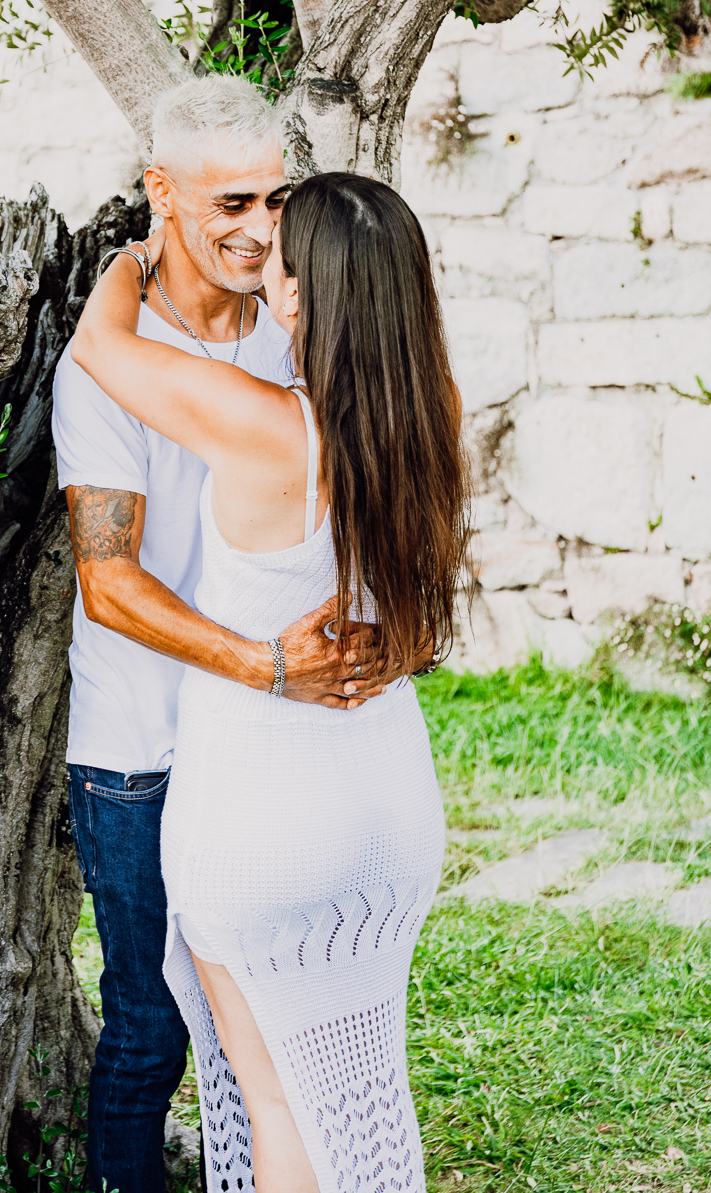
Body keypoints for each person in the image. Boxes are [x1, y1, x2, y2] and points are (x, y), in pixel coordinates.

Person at [72, 168, 469, 1192]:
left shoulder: (263, 424)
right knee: (355, 1087)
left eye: (277, 264)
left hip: (264, 818)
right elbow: (420, 616)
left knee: (276, 1095)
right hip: (386, 803)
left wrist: (134, 252)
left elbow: (103, 347)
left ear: (298, 295)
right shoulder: (425, 418)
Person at [51, 79, 385, 1193]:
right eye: (229, 201)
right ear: (162, 191)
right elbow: (110, 584)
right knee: (153, 1030)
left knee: (273, 1030)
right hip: (144, 746)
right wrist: (266, 666)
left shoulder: (301, 326)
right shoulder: (109, 360)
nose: (256, 229)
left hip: (268, 748)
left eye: (275, 200)